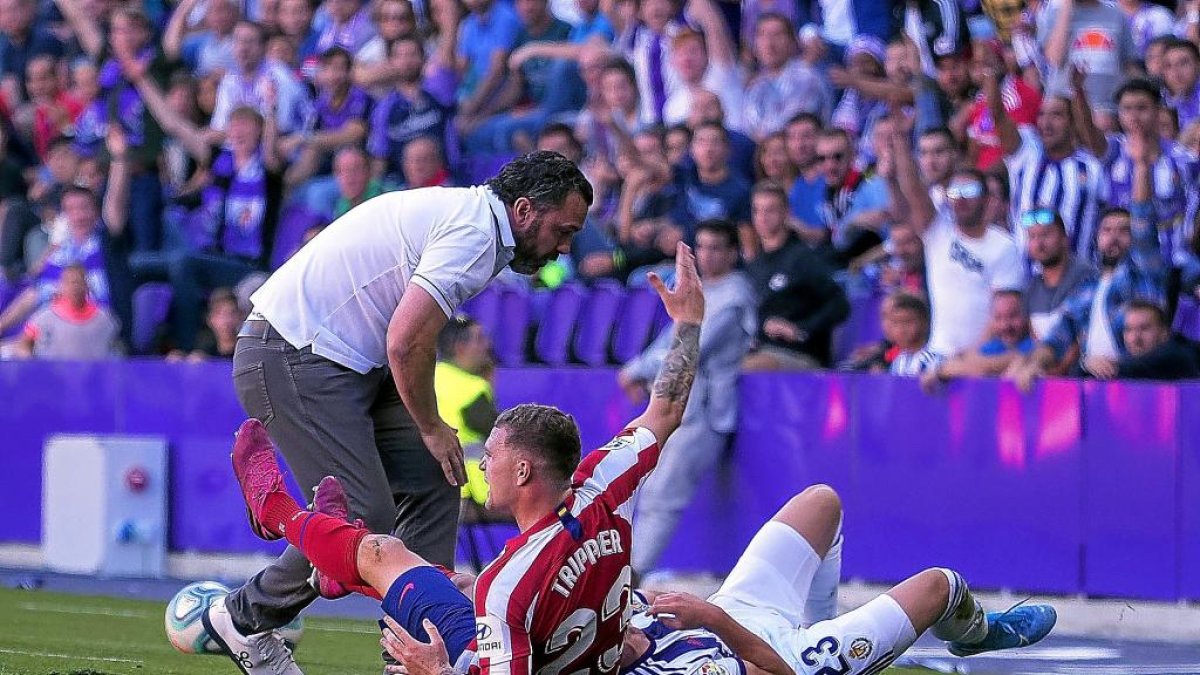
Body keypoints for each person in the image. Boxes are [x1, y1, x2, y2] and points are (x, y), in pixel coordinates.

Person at [218, 243, 705, 675]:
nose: (482, 465)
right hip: (582, 650)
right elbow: (665, 409)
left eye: (490, 455)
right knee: (452, 581)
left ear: (523, 471)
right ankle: (340, 563)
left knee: (383, 553)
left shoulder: (509, 584)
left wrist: (437, 670)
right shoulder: (603, 484)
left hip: (502, 656)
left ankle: (278, 514)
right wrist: (687, 322)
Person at [200, 152, 592, 674]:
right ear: (523, 210)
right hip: (294, 352)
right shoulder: (475, 234)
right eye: (563, 231)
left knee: (436, 475)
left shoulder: (475, 221)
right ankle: (243, 619)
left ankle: (419, 651)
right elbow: (406, 341)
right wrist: (430, 426)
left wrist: (431, 435)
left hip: (344, 358)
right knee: (364, 515)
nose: (564, 247)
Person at [619, 485, 1057, 675]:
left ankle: (822, 624)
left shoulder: (604, 614)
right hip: (785, 659)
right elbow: (775, 671)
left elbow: (641, 596)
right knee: (941, 585)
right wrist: (713, 618)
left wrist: (659, 602)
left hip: (732, 613)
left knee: (821, 502)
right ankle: (978, 633)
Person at [617, 219, 755, 579]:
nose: (707, 255)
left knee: (664, 492)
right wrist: (638, 367)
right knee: (650, 489)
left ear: (733, 253)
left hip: (706, 411)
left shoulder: (735, 296)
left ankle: (634, 573)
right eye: (702, 247)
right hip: (679, 404)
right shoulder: (698, 290)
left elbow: (694, 346)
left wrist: (639, 370)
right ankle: (626, 570)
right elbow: (668, 340)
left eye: (716, 248)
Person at [886, 106, 1025, 360]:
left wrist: (968, 359)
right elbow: (913, 189)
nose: (961, 199)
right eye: (955, 193)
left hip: (985, 359)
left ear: (987, 199)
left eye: (969, 192)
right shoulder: (938, 233)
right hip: (938, 355)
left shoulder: (1004, 245)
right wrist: (900, 141)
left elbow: (1004, 314)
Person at [741, 182, 850, 370]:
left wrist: (801, 329)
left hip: (799, 354)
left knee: (742, 369)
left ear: (786, 213)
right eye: (757, 211)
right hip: (760, 348)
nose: (762, 218)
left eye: (770, 210)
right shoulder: (754, 265)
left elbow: (839, 304)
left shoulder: (803, 258)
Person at [434, 314, 498, 507]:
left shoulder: (428, 376)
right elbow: (500, 436)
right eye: (479, 339)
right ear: (460, 347)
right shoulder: (473, 388)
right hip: (471, 491)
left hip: (434, 487)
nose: (486, 345)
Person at [922, 290, 1034, 390]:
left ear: (1026, 317)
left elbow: (985, 368)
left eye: (1013, 316)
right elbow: (960, 361)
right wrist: (943, 369)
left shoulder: (1033, 348)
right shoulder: (993, 346)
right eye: (998, 318)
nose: (1005, 325)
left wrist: (942, 371)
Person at [14, 263, 120, 360]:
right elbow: (23, 344)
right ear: (61, 286)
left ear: (87, 286)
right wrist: (30, 363)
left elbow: (118, 348)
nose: (74, 287)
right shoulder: (43, 318)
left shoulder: (104, 318)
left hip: (95, 373)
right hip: (54, 374)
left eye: (78, 282)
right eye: (69, 283)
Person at [1091, 299, 1200, 381]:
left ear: (1165, 333)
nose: (1135, 338)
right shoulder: (1135, 363)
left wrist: (1096, 367)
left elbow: (1136, 367)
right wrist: (1091, 364)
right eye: (1129, 330)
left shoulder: (1176, 353)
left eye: (1144, 328)